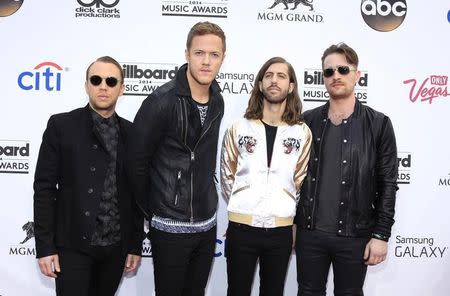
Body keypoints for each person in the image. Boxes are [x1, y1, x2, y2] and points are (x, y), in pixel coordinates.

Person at [127, 21, 226, 296]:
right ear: (186, 54)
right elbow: (135, 163)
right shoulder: (162, 101)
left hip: (206, 224)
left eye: (214, 54)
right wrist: (155, 210)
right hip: (169, 226)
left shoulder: (218, 100)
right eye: (199, 53)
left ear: (223, 59)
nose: (206, 61)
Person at [33, 56, 143, 296]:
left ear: (122, 89)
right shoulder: (61, 125)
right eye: (96, 80)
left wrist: (135, 245)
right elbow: (44, 189)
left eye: (111, 81)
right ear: (86, 86)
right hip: (72, 246)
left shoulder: (132, 133)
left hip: (115, 248)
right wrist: (44, 247)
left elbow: (136, 196)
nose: (103, 86)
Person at [295, 43, 398, 295]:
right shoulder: (306, 122)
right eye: (328, 72)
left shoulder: (379, 124)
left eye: (343, 69)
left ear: (357, 75)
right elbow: (291, 178)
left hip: (355, 235)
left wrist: (381, 235)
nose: (336, 76)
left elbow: (388, 183)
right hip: (309, 234)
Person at [220, 57, 312, 296]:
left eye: (281, 76)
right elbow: (227, 175)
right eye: (269, 75)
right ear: (260, 84)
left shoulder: (301, 132)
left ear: (290, 86)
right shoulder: (238, 128)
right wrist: (244, 203)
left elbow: (300, 180)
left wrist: (283, 211)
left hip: (280, 232)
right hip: (241, 229)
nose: (274, 80)